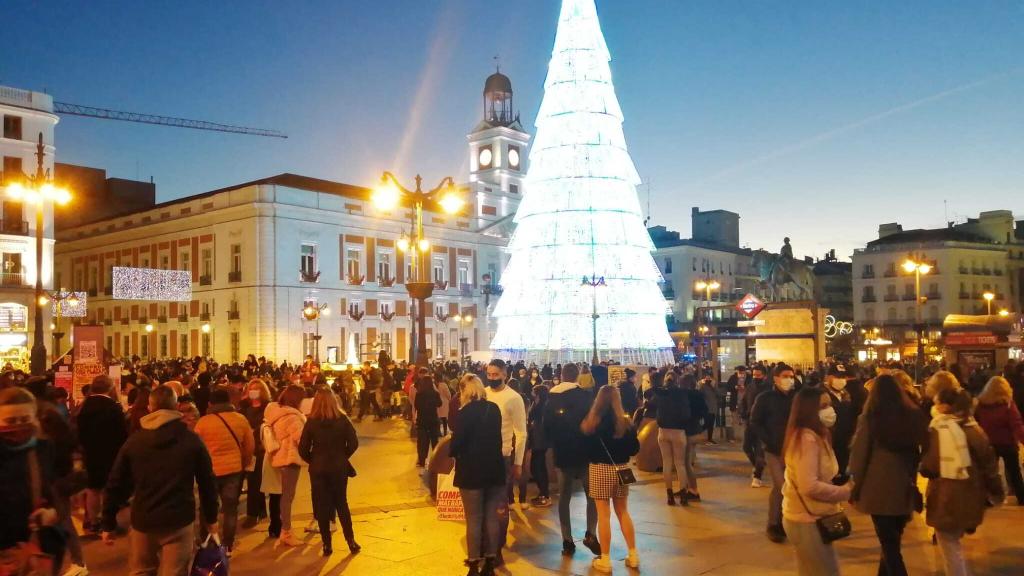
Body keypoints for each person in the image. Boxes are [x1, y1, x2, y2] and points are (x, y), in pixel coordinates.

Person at [101, 385, 219, 576]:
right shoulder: (191, 440)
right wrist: (211, 518)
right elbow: (207, 481)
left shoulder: (135, 442)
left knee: (141, 571)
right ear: (176, 407)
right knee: (175, 572)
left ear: (150, 408)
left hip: (143, 519)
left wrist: (108, 522)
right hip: (179, 519)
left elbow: (116, 482)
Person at [849, 374, 929, 576]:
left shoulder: (870, 418)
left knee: (890, 546)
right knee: (893, 540)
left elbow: (860, 454)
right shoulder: (914, 416)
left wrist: (856, 482)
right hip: (905, 485)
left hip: (878, 487)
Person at [922, 387, 1003, 576]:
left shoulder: (937, 429)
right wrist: (996, 491)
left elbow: (929, 466)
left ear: (945, 406)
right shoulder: (975, 429)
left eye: (937, 402)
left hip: (944, 495)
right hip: (970, 493)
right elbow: (989, 465)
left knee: (950, 545)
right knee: (954, 541)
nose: (934, 405)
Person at [781, 386, 852, 576]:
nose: (830, 410)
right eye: (823, 405)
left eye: (829, 404)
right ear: (809, 410)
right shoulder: (806, 439)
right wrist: (845, 491)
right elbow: (808, 485)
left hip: (811, 516)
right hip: (806, 519)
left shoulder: (816, 435)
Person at [0, 387, 65, 575]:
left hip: (33, 546)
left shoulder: (43, 448)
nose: (19, 426)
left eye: (25, 420)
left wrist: (51, 512)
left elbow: (51, 491)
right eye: (10, 421)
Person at [580, 385, 640, 573]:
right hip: (621, 470)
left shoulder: (592, 423)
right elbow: (634, 449)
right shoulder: (625, 422)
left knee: (603, 514)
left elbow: (586, 449)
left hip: (599, 469)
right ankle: (633, 555)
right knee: (623, 512)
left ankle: (605, 559)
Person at [450, 375, 505, 576]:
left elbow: (456, 443)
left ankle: (473, 563)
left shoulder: (464, 413)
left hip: (471, 471)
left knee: (473, 518)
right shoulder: (494, 409)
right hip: (494, 469)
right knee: (491, 517)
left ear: (465, 391)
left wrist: (453, 452)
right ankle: (490, 562)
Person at [544, 363, 600, 557]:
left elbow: (546, 426)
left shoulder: (551, 398)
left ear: (561, 375)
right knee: (592, 495)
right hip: (585, 452)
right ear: (577, 377)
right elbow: (594, 422)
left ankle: (567, 540)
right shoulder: (586, 397)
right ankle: (591, 532)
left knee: (564, 497)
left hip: (562, 453)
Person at [299, 388, 360, 557]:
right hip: (338, 468)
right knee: (342, 503)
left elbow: (302, 449)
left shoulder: (311, 422)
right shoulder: (342, 420)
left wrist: (314, 459)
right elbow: (354, 443)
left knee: (322, 506)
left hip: (318, 469)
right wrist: (342, 455)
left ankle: (327, 544)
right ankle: (351, 541)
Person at [195, 387, 255, 554]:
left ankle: (206, 541)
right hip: (234, 469)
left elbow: (197, 449)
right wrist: (244, 462)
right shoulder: (240, 419)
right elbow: (249, 445)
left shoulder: (203, 422)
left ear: (210, 403)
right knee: (230, 507)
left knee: (208, 507)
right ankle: (228, 544)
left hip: (210, 472)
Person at [483, 359, 527, 563]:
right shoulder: (483, 394)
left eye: (495, 374)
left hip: (503, 457)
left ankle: (498, 547)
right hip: (483, 456)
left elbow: (521, 433)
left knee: (500, 504)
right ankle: (487, 544)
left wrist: (518, 462)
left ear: (504, 374)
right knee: (484, 504)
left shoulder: (514, 398)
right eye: (489, 374)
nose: (492, 378)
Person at [750, 363, 798, 543]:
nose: (789, 379)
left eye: (791, 376)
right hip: (774, 449)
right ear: (776, 378)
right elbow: (755, 421)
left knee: (791, 486)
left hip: (794, 449)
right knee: (780, 486)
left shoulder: (796, 397)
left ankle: (788, 521)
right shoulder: (765, 398)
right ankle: (774, 524)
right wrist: (767, 440)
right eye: (785, 376)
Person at [77, 374, 128, 534]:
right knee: (108, 489)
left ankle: (93, 521)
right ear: (110, 388)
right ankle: (107, 522)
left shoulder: (84, 406)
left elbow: (80, 432)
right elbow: (121, 433)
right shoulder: (113, 407)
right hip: (110, 453)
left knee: (93, 488)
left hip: (90, 453)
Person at [264, 385, 307, 546]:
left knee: (282, 496)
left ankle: (283, 529)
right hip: (289, 458)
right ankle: (286, 532)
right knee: (287, 497)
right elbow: (301, 439)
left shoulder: (275, 411)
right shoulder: (292, 417)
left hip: (277, 457)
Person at [974, 376, 1024, 504]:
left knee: (989, 473)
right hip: (1008, 444)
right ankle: (1022, 497)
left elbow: (976, 424)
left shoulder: (980, 405)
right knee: (1014, 472)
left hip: (989, 444)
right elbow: (1017, 425)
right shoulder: (1007, 405)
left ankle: (987, 498)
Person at [651, 370, 691, 506]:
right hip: (678, 431)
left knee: (666, 463)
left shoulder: (660, 394)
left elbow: (650, 404)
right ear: (677, 380)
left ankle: (669, 496)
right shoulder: (682, 394)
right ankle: (683, 495)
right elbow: (686, 414)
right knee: (680, 464)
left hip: (663, 431)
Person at [240, 379, 272, 527]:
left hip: (261, 448)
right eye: (251, 389)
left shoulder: (267, 407)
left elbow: (269, 424)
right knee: (254, 481)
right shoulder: (245, 407)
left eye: (256, 389)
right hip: (248, 448)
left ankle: (255, 513)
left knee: (257, 481)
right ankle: (258, 511)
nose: (253, 392)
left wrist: (257, 430)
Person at [823, 365, 859, 477]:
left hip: (844, 441)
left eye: (843, 377)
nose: (841, 380)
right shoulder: (820, 394)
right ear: (828, 377)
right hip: (829, 442)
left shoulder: (845, 394)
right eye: (838, 377)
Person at [740, 365, 769, 487]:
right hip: (750, 422)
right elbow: (744, 401)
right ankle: (757, 466)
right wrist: (743, 412)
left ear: (764, 376)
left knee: (759, 451)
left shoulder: (768, 389)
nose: (756, 377)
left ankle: (758, 476)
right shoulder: (750, 387)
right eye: (754, 375)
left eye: (758, 375)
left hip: (763, 424)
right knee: (746, 447)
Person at [527, 384, 551, 507]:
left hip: (539, 440)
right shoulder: (538, 405)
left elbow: (532, 418)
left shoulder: (542, 407)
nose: (532, 394)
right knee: (536, 466)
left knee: (538, 467)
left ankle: (544, 494)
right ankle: (543, 492)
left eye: (533, 392)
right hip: (538, 439)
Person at [412, 369, 442, 468]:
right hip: (433, 420)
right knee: (434, 441)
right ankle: (436, 461)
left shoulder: (419, 394)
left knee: (422, 442)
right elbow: (439, 403)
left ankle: (421, 461)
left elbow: (416, 406)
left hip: (422, 421)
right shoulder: (435, 393)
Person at [699, 373, 720, 444]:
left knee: (711, 424)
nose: (708, 380)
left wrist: (713, 386)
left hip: (713, 408)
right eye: (706, 378)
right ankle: (697, 432)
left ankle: (710, 438)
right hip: (707, 408)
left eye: (709, 378)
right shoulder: (703, 387)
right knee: (707, 423)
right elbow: (699, 394)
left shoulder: (713, 386)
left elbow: (718, 394)